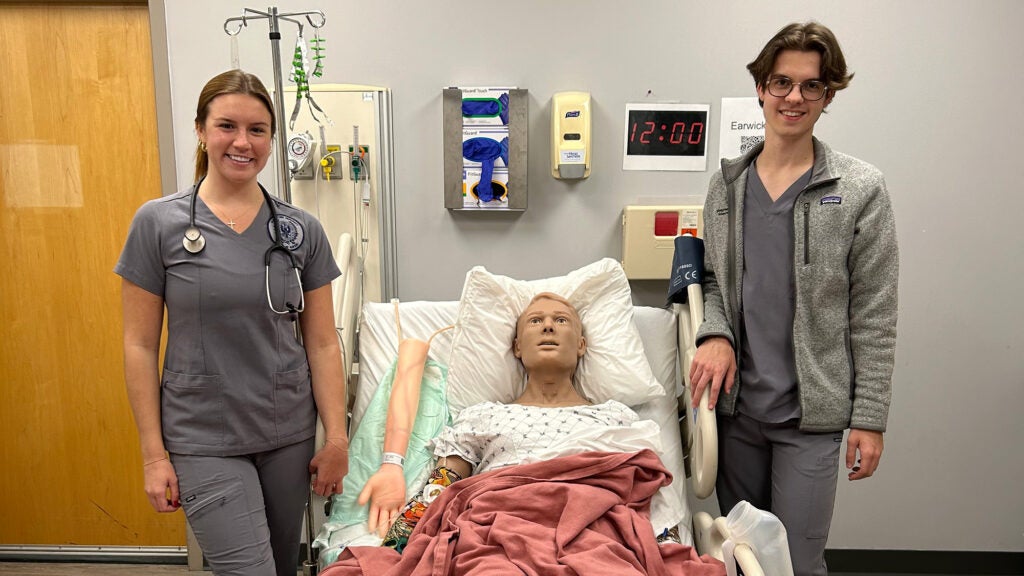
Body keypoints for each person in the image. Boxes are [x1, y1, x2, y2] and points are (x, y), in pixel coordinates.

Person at [116, 69, 349, 576]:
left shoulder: (299, 229)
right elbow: (138, 345)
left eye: (258, 130)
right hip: (202, 434)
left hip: (286, 430)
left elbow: (323, 344)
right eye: (226, 126)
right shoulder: (158, 224)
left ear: (271, 138)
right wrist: (154, 456)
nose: (242, 142)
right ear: (201, 130)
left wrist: (336, 440)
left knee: (283, 565)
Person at [688, 22, 899, 576]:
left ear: (828, 96)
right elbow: (712, 280)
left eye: (812, 86)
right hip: (736, 413)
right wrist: (715, 333)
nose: (794, 97)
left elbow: (874, 311)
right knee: (740, 558)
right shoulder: (727, 187)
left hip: (813, 416)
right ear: (761, 87)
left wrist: (870, 416)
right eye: (782, 82)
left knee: (798, 564)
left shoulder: (858, 188)